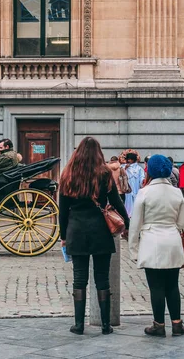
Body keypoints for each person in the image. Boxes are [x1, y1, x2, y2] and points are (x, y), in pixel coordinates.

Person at [59, 137, 129, 336]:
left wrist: (63, 235)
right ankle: (106, 325)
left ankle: (79, 325)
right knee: (102, 277)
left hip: (77, 230)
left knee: (79, 278)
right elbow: (116, 201)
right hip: (100, 230)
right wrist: (126, 223)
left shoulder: (68, 174)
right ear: (98, 153)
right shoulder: (105, 173)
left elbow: (62, 210)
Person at [128, 154, 184, 337]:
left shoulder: (144, 192)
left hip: (152, 241)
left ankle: (159, 324)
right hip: (172, 241)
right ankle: (177, 324)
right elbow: (182, 223)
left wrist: (133, 250)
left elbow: (135, 224)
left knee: (156, 287)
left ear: (150, 171)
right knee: (172, 285)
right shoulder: (177, 192)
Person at [123, 152, 145, 217]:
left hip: (136, 191)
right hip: (126, 191)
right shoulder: (123, 167)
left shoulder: (139, 169)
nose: (128, 161)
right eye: (127, 159)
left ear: (133, 159)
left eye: (129, 159)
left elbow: (142, 180)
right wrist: (124, 169)